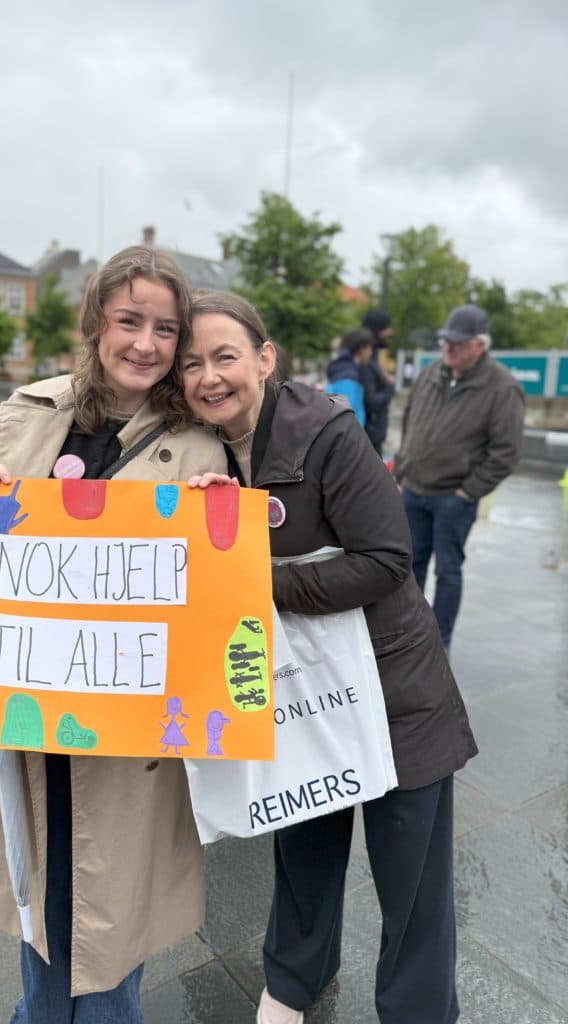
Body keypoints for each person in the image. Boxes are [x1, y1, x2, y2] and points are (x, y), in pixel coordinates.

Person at [0, 246, 227, 1023]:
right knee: (42, 904)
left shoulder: (198, 443)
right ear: (96, 322)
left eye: (165, 328)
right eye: (129, 321)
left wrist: (214, 515)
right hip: (29, 720)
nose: (146, 344)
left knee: (110, 925)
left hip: (125, 742)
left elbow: (210, 594)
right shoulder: (33, 409)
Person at [181, 292, 477, 1024]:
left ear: (265, 358)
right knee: (303, 845)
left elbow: (385, 560)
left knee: (412, 881)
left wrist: (258, 581)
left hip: (393, 689)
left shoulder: (325, 431)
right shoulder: (194, 447)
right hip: (294, 694)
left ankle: (417, 1012)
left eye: (224, 356)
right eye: (192, 364)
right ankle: (290, 984)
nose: (209, 377)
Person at [394, 303, 524, 649]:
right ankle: (409, 635)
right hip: (414, 490)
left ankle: (440, 641)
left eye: (458, 342)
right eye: (446, 340)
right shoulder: (432, 373)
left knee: (447, 571)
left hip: (453, 497)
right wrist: (402, 471)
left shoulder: (502, 387)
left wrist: (468, 492)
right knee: (409, 567)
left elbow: (506, 452)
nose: (448, 347)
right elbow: (410, 424)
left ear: (480, 345)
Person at [360, 309, 395, 455]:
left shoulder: (371, 359)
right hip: (370, 440)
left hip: (372, 438)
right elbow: (372, 401)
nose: (390, 332)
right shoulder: (366, 362)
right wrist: (389, 387)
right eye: (386, 328)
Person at [323, 327, 373, 426]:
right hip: (348, 438)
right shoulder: (348, 376)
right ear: (362, 349)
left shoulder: (342, 369)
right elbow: (345, 418)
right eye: (370, 347)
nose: (371, 352)